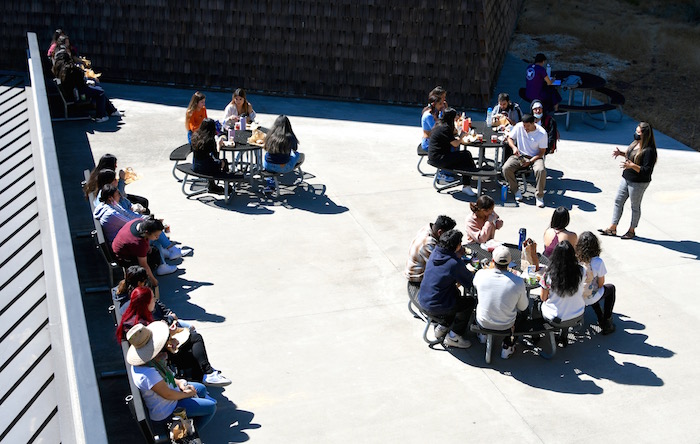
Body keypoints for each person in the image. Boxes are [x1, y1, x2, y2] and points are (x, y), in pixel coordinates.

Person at [117, 282, 231, 386]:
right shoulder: (142, 324)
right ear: (146, 303)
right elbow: (153, 346)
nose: (155, 301)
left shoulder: (132, 317)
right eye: (153, 299)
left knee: (193, 348)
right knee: (195, 338)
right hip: (157, 356)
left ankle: (206, 374)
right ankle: (208, 373)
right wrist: (169, 335)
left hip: (152, 353)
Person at [125, 321, 218, 430]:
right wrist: (187, 394)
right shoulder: (147, 374)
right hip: (167, 410)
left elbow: (166, 381)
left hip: (171, 397)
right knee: (211, 408)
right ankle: (189, 432)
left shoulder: (149, 363)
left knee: (201, 388)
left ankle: (192, 418)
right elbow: (168, 395)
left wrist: (181, 383)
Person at [598, 122, 658, 240]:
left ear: (645, 135)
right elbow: (632, 155)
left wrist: (632, 166)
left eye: (638, 132)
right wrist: (621, 153)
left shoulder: (649, 151)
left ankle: (631, 230)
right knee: (618, 201)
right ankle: (612, 228)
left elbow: (647, 170)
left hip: (639, 182)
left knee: (634, 206)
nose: (636, 134)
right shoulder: (635, 143)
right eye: (636, 131)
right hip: (626, 177)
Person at [417, 229, 475, 348]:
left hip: (423, 298)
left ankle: (443, 326)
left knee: (455, 294)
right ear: (458, 245)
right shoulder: (454, 263)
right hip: (437, 306)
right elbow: (470, 282)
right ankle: (454, 336)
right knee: (469, 302)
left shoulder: (434, 253)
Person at [94, 184, 182, 259]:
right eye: (117, 195)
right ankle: (172, 250)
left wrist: (147, 218)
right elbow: (130, 223)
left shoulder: (112, 205)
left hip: (123, 235)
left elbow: (129, 215)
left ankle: (166, 253)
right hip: (121, 242)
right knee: (153, 230)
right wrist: (150, 222)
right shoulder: (111, 214)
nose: (120, 196)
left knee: (153, 226)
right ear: (110, 198)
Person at [473, 246, 529, 359]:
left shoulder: (481, 274)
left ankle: (483, 334)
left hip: (483, 321)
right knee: (524, 314)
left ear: (493, 261)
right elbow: (523, 307)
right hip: (506, 325)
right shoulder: (518, 281)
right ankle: (508, 345)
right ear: (510, 263)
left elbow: (475, 285)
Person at [404, 215, 457, 299]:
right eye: (447, 235)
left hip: (420, 269)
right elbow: (439, 265)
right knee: (450, 280)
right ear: (440, 232)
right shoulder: (429, 243)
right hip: (418, 278)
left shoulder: (428, 228)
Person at [428, 108, 478, 196]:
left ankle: (472, 175)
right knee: (466, 155)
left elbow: (452, 134)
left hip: (434, 156)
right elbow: (455, 144)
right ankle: (468, 183)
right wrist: (462, 136)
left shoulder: (439, 124)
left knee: (463, 156)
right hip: (439, 159)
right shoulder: (445, 128)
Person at [112, 218, 176, 286]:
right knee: (151, 262)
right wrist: (153, 281)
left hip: (122, 246)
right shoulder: (139, 243)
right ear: (146, 232)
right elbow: (144, 265)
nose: (157, 237)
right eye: (155, 235)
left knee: (154, 251)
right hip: (124, 258)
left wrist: (147, 246)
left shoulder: (139, 222)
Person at [501, 114, 548, 207]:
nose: (525, 128)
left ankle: (539, 196)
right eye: (524, 126)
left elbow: (542, 152)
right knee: (506, 168)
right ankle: (516, 190)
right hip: (521, 155)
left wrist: (530, 162)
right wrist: (514, 147)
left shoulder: (542, 133)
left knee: (541, 170)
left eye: (528, 126)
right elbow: (510, 138)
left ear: (533, 123)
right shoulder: (519, 126)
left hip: (535, 156)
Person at [536, 240, 586, 325]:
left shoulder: (549, 275)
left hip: (555, 318)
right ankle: (564, 335)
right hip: (578, 313)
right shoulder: (582, 270)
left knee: (536, 304)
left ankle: (536, 336)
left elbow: (543, 298)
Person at [576, 232, 616, 334]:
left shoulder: (575, 259)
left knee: (591, 289)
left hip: (576, 296)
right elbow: (601, 284)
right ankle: (607, 321)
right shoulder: (598, 262)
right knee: (610, 289)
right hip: (589, 296)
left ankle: (600, 315)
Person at [84, 153, 149, 212]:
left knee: (143, 201)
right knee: (144, 203)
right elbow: (118, 194)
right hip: (116, 199)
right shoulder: (106, 177)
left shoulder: (99, 174)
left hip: (112, 198)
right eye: (115, 164)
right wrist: (121, 179)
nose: (116, 166)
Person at [262, 115, 305, 194]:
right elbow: (295, 149)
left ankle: (270, 185)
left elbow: (265, 148)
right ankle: (271, 183)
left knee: (268, 157)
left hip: (268, 165)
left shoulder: (270, 135)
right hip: (283, 167)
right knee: (297, 154)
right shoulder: (289, 136)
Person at [191, 118, 229, 195]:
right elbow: (216, 156)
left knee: (210, 162)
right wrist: (218, 145)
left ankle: (213, 185)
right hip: (206, 168)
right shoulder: (210, 140)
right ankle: (226, 184)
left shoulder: (195, 136)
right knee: (224, 161)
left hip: (195, 165)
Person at [420, 86, 447, 152]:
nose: (444, 100)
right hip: (428, 143)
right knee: (453, 147)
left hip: (434, 140)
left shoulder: (437, 111)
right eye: (443, 97)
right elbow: (437, 131)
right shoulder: (429, 115)